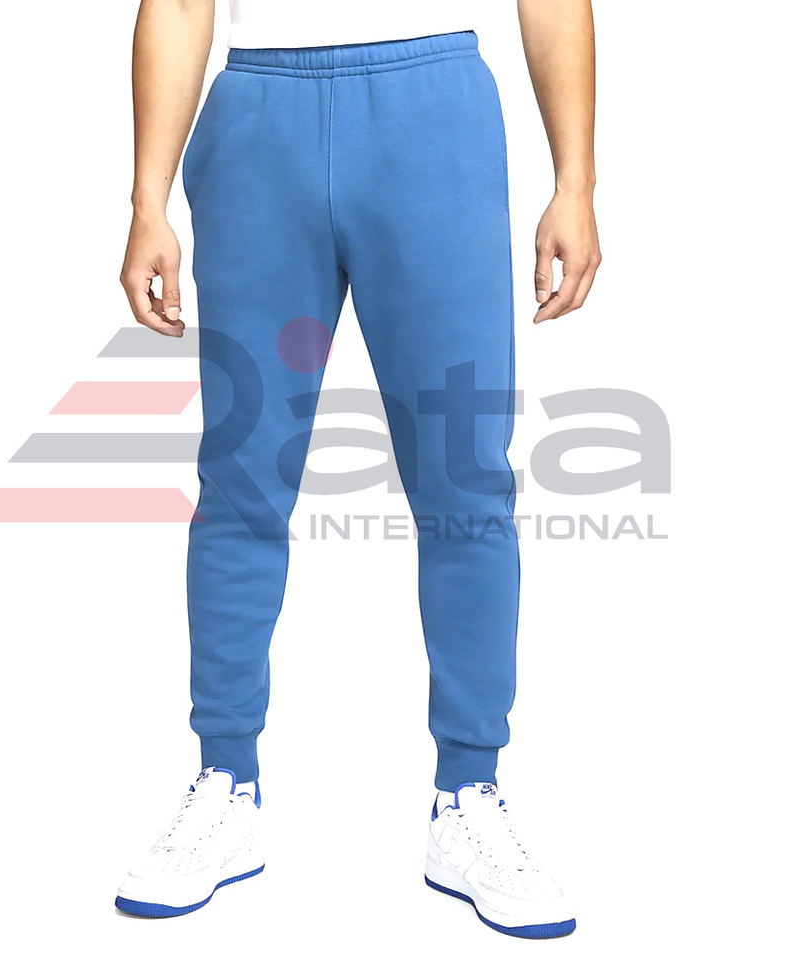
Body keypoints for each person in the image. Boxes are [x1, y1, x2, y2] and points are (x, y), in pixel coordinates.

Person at [116, 0, 600, 938]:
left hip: (434, 111)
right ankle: (226, 781)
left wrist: (575, 180)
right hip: (259, 116)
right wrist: (146, 200)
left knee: (465, 479)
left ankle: (468, 793)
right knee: (241, 481)